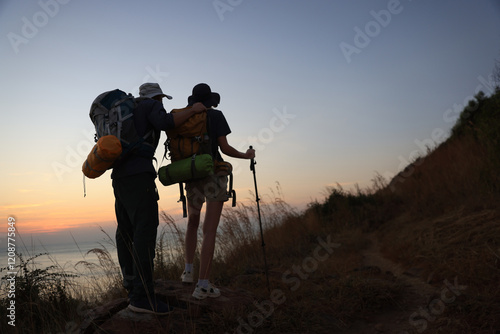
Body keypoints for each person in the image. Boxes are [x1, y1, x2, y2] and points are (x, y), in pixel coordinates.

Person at [112, 82, 206, 314]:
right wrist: (193, 110)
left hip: (119, 178)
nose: (162, 104)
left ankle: (131, 286)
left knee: (125, 231)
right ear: (157, 97)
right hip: (139, 177)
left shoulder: (129, 110)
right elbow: (167, 122)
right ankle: (143, 297)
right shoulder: (149, 106)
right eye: (162, 100)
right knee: (144, 232)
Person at [180, 83, 255, 300]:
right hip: (213, 173)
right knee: (209, 230)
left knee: (192, 223)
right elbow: (225, 148)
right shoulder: (216, 116)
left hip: (192, 174)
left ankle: (188, 271)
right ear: (210, 100)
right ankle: (203, 285)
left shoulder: (185, 116)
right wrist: (246, 155)